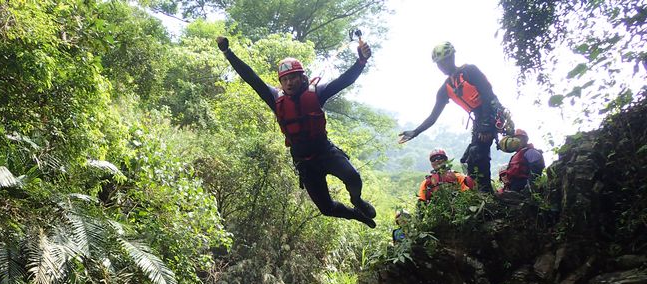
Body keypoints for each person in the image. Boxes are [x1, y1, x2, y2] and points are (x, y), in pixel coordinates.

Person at [215, 35, 377, 227]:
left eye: (293, 77)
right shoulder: (275, 98)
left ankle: (357, 201)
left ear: (302, 78)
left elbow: (343, 81)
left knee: (353, 177)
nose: (289, 82)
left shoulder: (317, 92)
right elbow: (251, 78)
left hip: (326, 153)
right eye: (285, 79)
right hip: (305, 164)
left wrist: (361, 61)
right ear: (281, 83)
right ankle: (356, 215)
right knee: (326, 209)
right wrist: (227, 52)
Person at [398, 42, 508, 193]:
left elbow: (488, 95)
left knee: (478, 152)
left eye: (446, 60)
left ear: (453, 57)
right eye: (439, 63)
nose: (443, 65)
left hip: (490, 112)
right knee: (468, 159)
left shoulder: (470, 71)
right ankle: (480, 191)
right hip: (478, 117)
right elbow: (433, 116)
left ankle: (486, 193)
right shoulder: (445, 88)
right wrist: (415, 132)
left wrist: (486, 126)